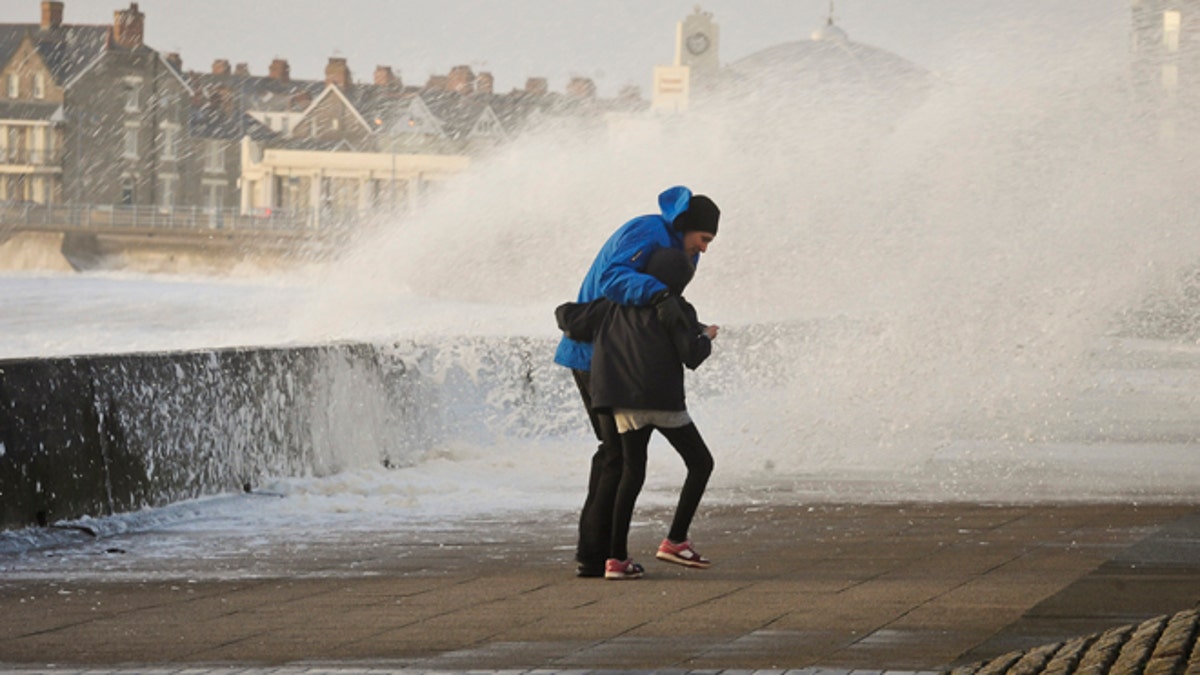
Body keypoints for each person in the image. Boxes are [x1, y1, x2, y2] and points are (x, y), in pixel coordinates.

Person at [553, 185, 719, 578]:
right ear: (686, 227)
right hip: (599, 358)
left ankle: (600, 556)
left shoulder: (673, 246)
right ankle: (599, 557)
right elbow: (613, 278)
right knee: (617, 459)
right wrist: (662, 296)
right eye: (704, 239)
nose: (705, 249)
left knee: (617, 459)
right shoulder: (647, 230)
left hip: (617, 357)